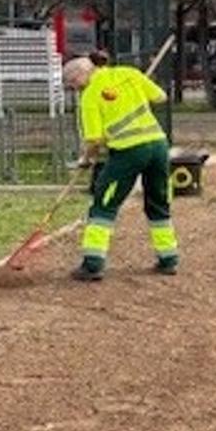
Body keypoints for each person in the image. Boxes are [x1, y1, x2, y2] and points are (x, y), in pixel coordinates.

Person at [62, 53, 179, 281]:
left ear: (81, 74)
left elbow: (94, 140)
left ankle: (93, 264)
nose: (73, 88)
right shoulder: (129, 73)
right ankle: (169, 259)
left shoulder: (89, 96)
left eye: (72, 83)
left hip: (128, 152)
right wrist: (135, 94)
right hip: (158, 146)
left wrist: (86, 160)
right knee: (158, 203)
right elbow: (161, 97)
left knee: (104, 204)